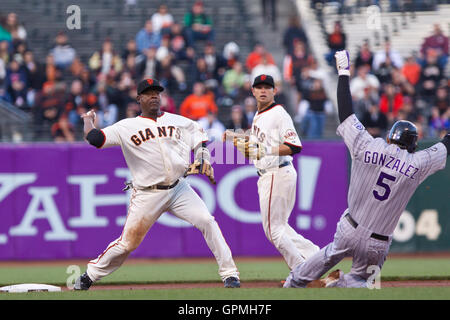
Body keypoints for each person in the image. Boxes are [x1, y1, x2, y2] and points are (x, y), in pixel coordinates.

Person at [283, 50, 449, 289]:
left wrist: (343, 73)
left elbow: (346, 114)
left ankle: (295, 282)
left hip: (350, 228)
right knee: (367, 282)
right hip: (378, 244)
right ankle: (341, 285)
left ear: (391, 137)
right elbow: (446, 144)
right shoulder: (418, 162)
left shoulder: (367, 145)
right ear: (412, 144)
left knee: (330, 253)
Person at [74, 78, 241, 290]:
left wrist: (202, 157)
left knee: (207, 221)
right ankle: (89, 275)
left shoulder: (178, 121)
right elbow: (95, 139)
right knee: (128, 243)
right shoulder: (127, 126)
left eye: (157, 92)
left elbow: (199, 138)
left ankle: (230, 275)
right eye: (148, 92)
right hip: (147, 193)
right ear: (139, 99)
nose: (154, 96)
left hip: (179, 188)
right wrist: (88, 120)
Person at [224, 74, 319, 271]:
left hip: (277, 171)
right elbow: (256, 146)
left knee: (273, 230)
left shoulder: (279, 113)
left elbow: (294, 145)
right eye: (259, 87)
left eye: (268, 87)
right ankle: (318, 258)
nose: (263, 90)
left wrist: (265, 150)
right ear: (253, 91)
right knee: (281, 227)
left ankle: (301, 271)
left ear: (274, 91)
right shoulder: (258, 115)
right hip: (272, 173)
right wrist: (236, 137)